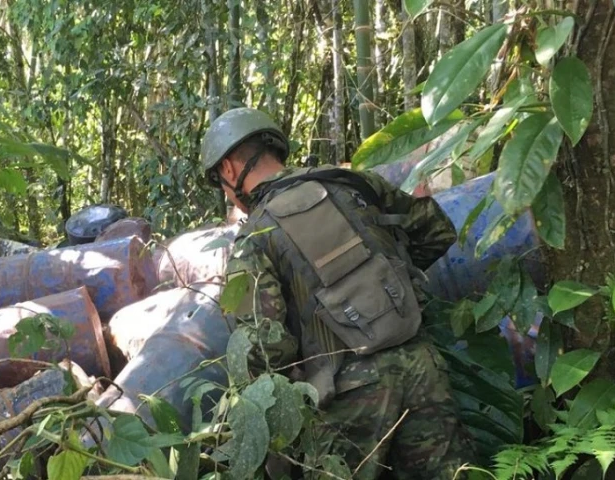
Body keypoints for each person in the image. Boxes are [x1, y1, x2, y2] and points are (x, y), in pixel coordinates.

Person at [202, 107, 474, 479]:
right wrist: (387, 283)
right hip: (422, 364)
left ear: (229, 170)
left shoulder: (254, 240)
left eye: (220, 182)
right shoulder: (357, 185)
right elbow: (437, 231)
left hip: (347, 394)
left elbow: (264, 351)